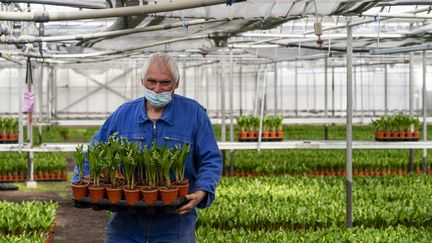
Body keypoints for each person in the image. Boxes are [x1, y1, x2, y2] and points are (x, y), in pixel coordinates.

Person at [72, 53, 223, 242]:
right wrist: (83, 182)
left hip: (175, 220)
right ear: (142, 80)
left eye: (165, 83)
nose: (158, 89)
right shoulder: (123, 114)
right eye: (151, 81)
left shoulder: (194, 114)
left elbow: (211, 159)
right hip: (126, 220)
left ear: (177, 83)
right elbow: (94, 151)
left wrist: (202, 190)